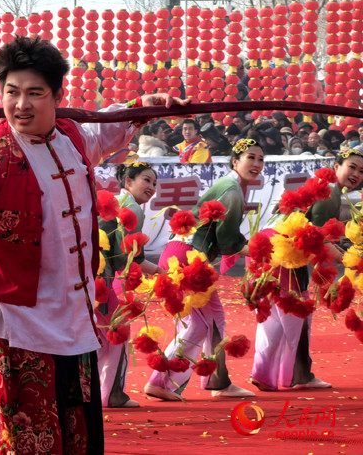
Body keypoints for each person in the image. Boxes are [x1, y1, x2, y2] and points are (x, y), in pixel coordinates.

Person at [0, 36, 187, 454]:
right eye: (12, 92)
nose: (21, 105)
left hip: (72, 321)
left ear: (58, 96)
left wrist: (143, 107)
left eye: (35, 93)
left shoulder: (72, 137)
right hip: (13, 326)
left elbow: (106, 128)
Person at [145, 138, 264, 402]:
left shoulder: (231, 186)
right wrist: (259, 251)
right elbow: (228, 241)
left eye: (260, 159)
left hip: (185, 254)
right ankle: (161, 381)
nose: (256, 163)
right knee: (199, 324)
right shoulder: (232, 190)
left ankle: (217, 381)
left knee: (213, 318)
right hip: (188, 258)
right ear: (235, 161)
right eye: (250, 157)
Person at [250, 149, 363, 391]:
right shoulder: (329, 194)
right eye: (352, 167)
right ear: (336, 166)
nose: (356, 174)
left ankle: (267, 373)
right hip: (287, 251)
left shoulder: (323, 188)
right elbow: (317, 238)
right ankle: (298, 376)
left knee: (278, 315)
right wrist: (351, 260)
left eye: (361, 171)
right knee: (297, 315)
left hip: (275, 248)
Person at [97, 162, 164, 408]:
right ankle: (112, 394)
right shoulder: (132, 207)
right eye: (146, 180)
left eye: (154, 183)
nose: (152, 187)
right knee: (118, 330)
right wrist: (160, 272)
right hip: (100, 275)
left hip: (89, 272)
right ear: (128, 181)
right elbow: (129, 257)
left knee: (99, 334)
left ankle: (92, 392)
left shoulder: (118, 202)